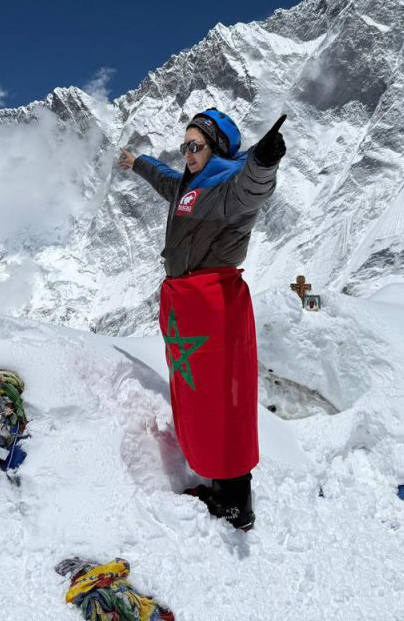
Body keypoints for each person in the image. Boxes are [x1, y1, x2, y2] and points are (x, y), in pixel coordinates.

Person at [119, 108, 287, 531]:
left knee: (223, 398)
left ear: (216, 149)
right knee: (200, 397)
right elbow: (163, 177)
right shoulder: (187, 186)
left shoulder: (227, 186)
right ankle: (215, 481)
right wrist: (137, 162)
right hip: (189, 305)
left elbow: (253, 189)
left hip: (214, 305)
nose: (187, 154)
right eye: (184, 146)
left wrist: (264, 163)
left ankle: (235, 502)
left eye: (195, 146)